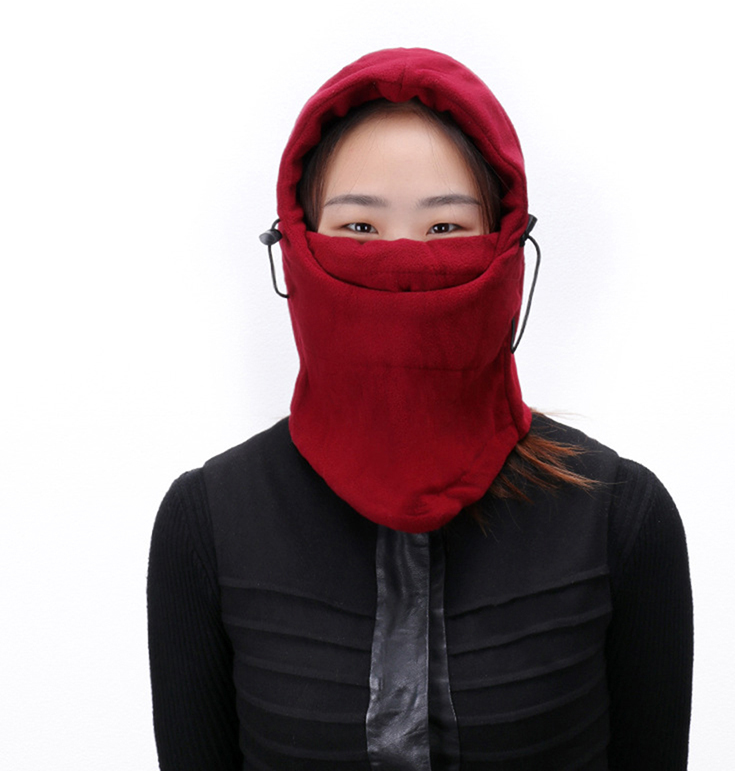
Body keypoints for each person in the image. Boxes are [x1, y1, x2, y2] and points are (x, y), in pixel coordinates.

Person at [147, 48, 693, 770]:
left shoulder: (623, 517)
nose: (402, 263)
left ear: (508, 250)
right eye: (359, 229)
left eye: (445, 229)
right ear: (295, 248)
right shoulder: (205, 524)